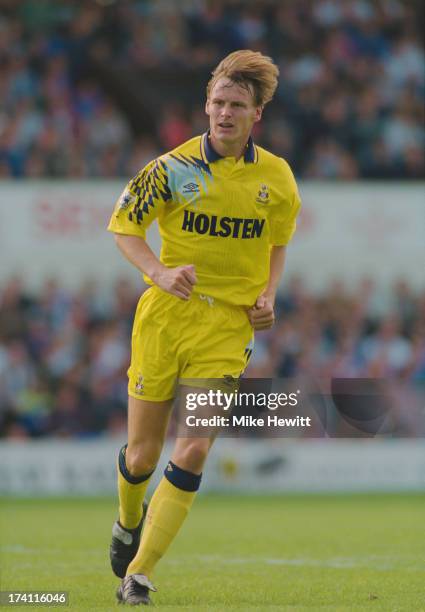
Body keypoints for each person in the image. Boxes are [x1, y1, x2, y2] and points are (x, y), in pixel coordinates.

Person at [107, 49, 301, 606]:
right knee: (142, 456)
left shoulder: (276, 177)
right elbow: (125, 228)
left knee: (193, 449)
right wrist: (158, 272)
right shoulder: (170, 168)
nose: (225, 113)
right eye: (217, 102)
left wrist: (268, 294)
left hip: (227, 327)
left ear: (256, 114)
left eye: (237, 104)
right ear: (205, 106)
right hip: (165, 319)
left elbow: (278, 242)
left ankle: (137, 576)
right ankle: (127, 521)